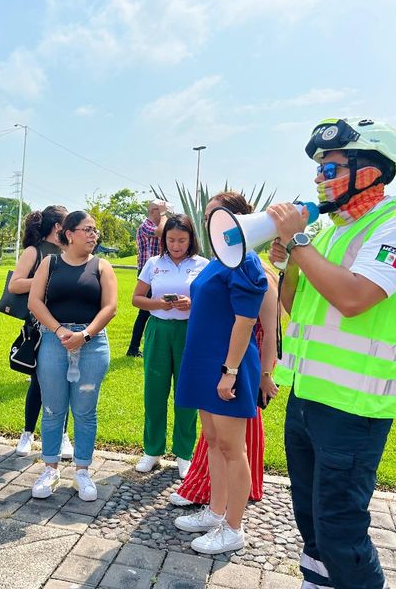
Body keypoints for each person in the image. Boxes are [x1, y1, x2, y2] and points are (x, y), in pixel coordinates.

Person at [267, 118, 396, 588]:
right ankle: (318, 581)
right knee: (309, 515)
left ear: (371, 170)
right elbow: (293, 308)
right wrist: (288, 260)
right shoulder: (329, 233)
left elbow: (355, 298)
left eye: (331, 167)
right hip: (307, 396)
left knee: (341, 526)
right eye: (319, 170)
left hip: (354, 406)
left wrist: (299, 243)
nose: (320, 179)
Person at [172, 191, 272, 555]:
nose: (210, 221)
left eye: (218, 215)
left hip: (226, 366)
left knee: (233, 448)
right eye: (208, 215)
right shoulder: (220, 260)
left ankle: (233, 527)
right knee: (213, 440)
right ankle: (215, 512)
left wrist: (229, 372)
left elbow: (246, 321)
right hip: (202, 362)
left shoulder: (245, 262)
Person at [28, 211, 118, 502]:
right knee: (53, 409)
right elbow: (34, 302)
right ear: (69, 233)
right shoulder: (49, 262)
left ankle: (82, 470)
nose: (93, 235)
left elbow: (110, 308)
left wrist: (85, 335)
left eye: (95, 230)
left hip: (92, 345)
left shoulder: (102, 266)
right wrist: (59, 331)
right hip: (55, 342)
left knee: (85, 411)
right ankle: (50, 468)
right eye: (87, 230)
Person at [131, 214, 208, 479]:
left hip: (190, 332)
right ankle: (152, 450)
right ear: (164, 240)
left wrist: (192, 304)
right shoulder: (154, 264)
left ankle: (185, 454)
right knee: (155, 390)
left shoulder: (203, 264)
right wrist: (158, 303)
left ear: (191, 240)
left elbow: (212, 303)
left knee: (186, 392)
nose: (176, 245)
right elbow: (137, 299)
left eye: (182, 240)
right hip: (159, 330)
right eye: (171, 240)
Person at [7, 205, 73, 458]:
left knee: (65, 382)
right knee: (38, 382)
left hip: (66, 324)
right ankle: (27, 433)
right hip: (38, 326)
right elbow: (15, 284)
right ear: (58, 227)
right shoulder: (34, 252)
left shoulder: (69, 252)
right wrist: (47, 279)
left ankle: (64, 435)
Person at [126, 200, 168, 357]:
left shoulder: (156, 224)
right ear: (153, 212)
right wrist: (164, 215)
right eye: (161, 211)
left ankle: (134, 348)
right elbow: (161, 232)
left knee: (146, 313)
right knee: (145, 312)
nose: (165, 215)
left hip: (155, 273)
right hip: (147, 275)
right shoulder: (146, 226)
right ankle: (133, 348)